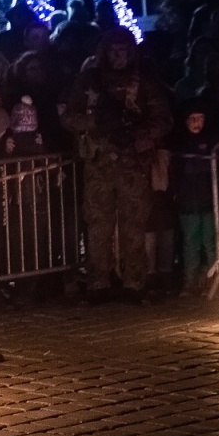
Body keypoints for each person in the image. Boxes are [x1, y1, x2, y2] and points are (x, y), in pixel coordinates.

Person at [63, 29, 173, 301]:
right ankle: (98, 282)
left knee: (133, 224)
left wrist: (139, 136)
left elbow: (164, 119)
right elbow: (69, 117)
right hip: (99, 162)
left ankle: (133, 282)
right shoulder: (89, 81)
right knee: (98, 225)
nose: (119, 56)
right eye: (114, 51)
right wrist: (96, 123)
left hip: (133, 162)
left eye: (124, 50)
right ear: (104, 53)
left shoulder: (143, 81)